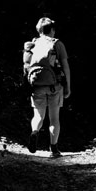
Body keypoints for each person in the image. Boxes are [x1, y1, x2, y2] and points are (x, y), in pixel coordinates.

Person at [23, 17, 71, 157]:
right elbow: (65, 67)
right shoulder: (57, 44)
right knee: (54, 118)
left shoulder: (32, 44)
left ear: (39, 30)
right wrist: (68, 86)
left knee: (38, 115)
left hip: (36, 85)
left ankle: (34, 132)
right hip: (54, 86)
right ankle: (54, 149)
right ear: (53, 30)